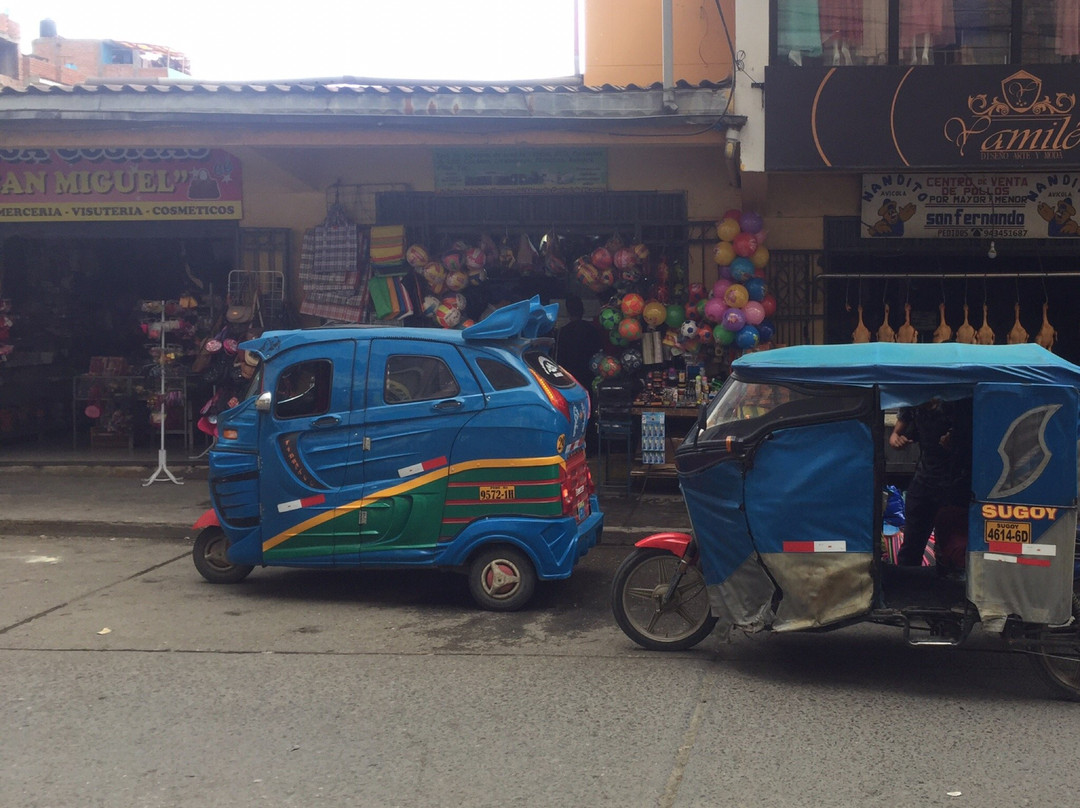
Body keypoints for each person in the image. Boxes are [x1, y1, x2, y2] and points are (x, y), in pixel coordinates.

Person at [888, 396, 972, 568]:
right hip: (925, 480)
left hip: (955, 483)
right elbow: (897, 433)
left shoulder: (956, 402)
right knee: (912, 544)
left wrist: (956, 441)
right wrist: (897, 438)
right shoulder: (913, 402)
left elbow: (974, 436)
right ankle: (907, 584)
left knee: (952, 543)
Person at [555, 295, 603, 388]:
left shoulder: (563, 332)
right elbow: (598, 352)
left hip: (569, 375)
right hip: (589, 373)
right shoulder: (592, 329)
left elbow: (559, 356)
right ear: (582, 310)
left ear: (568, 312)